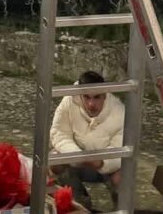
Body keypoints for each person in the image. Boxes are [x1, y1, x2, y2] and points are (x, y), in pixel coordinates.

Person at [50, 70, 124, 210]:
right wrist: (76, 154)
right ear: (80, 95)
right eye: (86, 97)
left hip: (105, 166)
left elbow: (121, 149)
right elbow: (59, 133)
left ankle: (121, 209)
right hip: (78, 161)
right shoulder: (69, 101)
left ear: (104, 95)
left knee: (122, 176)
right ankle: (79, 204)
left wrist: (101, 161)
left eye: (96, 97)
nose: (91, 104)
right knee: (55, 160)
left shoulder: (119, 111)